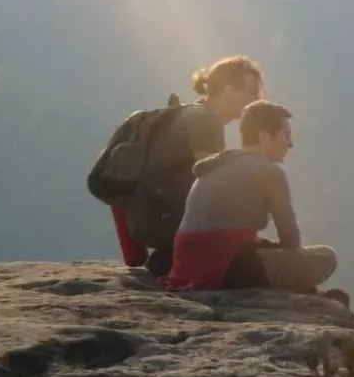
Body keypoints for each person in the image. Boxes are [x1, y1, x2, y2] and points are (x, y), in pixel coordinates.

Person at [162, 99, 339, 294]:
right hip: (229, 269)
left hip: (186, 267)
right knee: (325, 256)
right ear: (264, 137)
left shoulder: (216, 165)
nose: (290, 144)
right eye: (285, 135)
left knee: (269, 252)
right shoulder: (269, 172)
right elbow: (290, 240)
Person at [113, 56, 265, 277]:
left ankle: (171, 259)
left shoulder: (191, 113)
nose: (256, 99)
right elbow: (213, 185)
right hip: (164, 222)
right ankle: (171, 261)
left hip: (147, 218)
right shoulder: (205, 121)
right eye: (252, 92)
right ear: (229, 89)